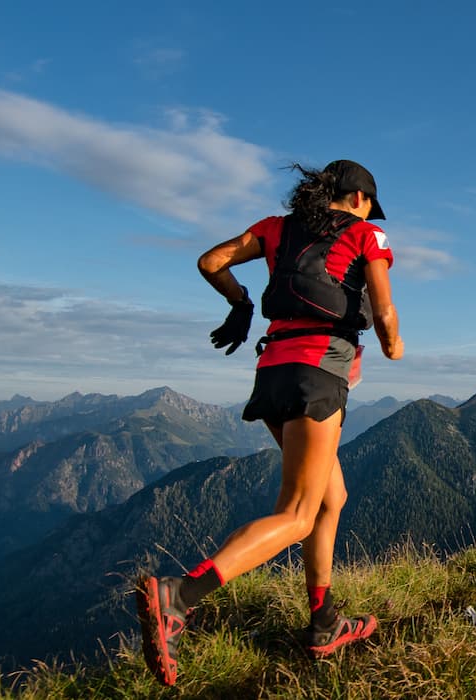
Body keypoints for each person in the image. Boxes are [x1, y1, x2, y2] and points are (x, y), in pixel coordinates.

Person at [135, 160, 403, 686]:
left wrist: (240, 302)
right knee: (299, 513)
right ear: (357, 198)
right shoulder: (368, 234)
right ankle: (179, 597)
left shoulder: (275, 228)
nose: (370, 211)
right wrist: (392, 345)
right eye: (369, 202)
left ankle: (324, 621)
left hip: (272, 372)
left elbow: (211, 260)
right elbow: (385, 311)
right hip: (318, 374)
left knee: (331, 498)